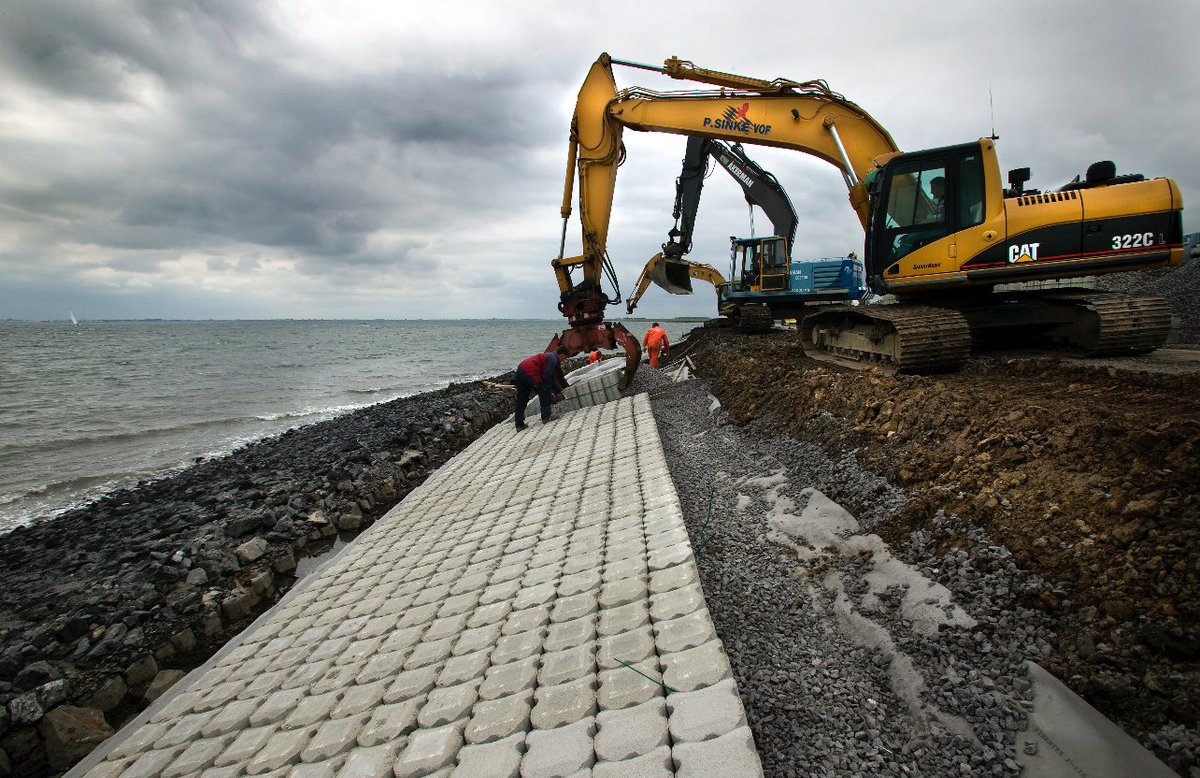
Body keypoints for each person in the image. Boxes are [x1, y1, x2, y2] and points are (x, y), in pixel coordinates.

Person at [514, 345, 569, 430]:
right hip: (530, 373)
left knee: (522, 399)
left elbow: (552, 377)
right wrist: (555, 392)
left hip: (520, 371)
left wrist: (557, 390)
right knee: (544, 390)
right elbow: (547, 376)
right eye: (564, 358)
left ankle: (519, 424)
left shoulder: (549, 356)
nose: (563, 360)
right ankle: (546, 417)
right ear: (561, 354)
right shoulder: (553, 359)